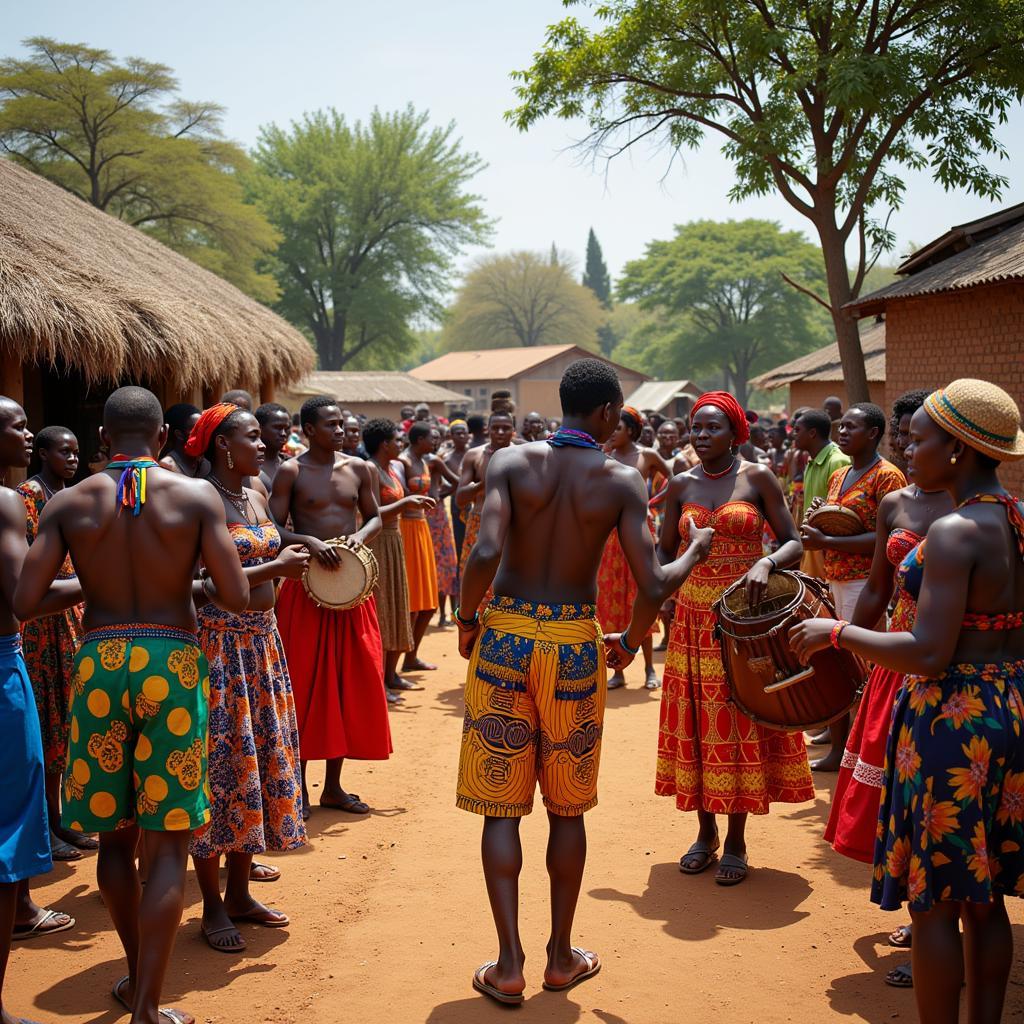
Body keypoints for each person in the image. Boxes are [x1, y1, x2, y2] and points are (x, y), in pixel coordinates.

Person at [456, 359, 713, 1006]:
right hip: (574, 643)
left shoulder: (510, 464)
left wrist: (466, 620)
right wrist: (692, 558)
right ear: (605, 414)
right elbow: (653, 585)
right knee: (565, 807)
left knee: (501, 804)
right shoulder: (622, 480)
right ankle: (561, 957)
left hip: (506, 638)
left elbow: (484, 552)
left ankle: (509, 964)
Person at [791, 379, 1024, 1024]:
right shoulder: (1016, 517)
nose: (909, 450)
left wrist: (835, 632)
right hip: (1009, 708)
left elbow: (927, 652)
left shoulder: (952, 532)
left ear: (956, 449)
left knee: (936, 904)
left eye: (919, 439)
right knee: (987, 898)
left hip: (950, 722)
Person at [15, 386, 249, 1024]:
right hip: (171, 664)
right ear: (164, 440)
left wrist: (94, 581)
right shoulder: (197, 497)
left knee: (114, 842)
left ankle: (131, 971)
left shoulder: (68, 502)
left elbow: (27, 600)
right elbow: (232, 594)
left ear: (101, 441)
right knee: (168, 844)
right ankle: (148, 1003)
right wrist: (185, 578)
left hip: (100, 663)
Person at [821, 390, 952, 989]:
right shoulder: (895, 503)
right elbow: (876, 588)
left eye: (914, 434)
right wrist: (847, 646)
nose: (904, 443)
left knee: (937, 804)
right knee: (897, 799)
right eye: (902, 433)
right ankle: (921, 912)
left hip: (950, 668)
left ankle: (940, 927)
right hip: (895, 661)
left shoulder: (971, 510)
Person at [656, 391, 813, 886]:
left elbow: (793, 539)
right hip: (691, 622)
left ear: (735, 432)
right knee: (700, 721)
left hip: (745, 620)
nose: (701, 437)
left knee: (740, 715)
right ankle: (704, 834)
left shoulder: (757, 477)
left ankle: (738, 840)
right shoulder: (679, 484)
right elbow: (663, 556)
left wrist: (766, 560)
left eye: (712, 428)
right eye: (695, 428)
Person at [184, 405, 309, 954]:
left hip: (262, 644)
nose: (263, 444)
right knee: (219, 770)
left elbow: (271, 539)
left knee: (255, 763)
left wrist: (300, 551)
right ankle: (211, 903)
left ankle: (239, 892)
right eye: (251, 436)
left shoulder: (254, 492)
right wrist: (274, 570)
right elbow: (191, 583)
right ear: (220, 446)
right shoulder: (199, 500)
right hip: (218, 649)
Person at [0, 399, 84, 1024]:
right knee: (10, 822)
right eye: (18, 425)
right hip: (5, 661)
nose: (27, 435)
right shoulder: (8, 502)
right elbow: (23, 597)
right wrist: (115, 575)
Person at [270, 397, 391, 817]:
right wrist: (311, 541)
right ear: (308, 429)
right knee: (304, 683)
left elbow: (375, 517)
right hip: (306, 593)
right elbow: (271, 529)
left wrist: (359, 538)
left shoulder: (358, 468)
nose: (340, 430)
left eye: (341, 424)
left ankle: (334, 788)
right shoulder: (291, 471)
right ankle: (298, 789)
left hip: (351, 592)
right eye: (331, 424)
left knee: (345, 682)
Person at [800, 403, 906, 770]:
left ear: (874, 433)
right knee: (838, 663)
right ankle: (842, 750)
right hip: (835, 579)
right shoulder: (839, 474)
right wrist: (821, 521)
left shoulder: (887, 477)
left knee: (864, 666)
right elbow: (837, 523)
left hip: (867, 582)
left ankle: (869, 753)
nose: (842, 432)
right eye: (840, 427)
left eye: (851, 427)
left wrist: (826, 541)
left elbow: (888, 539)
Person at [17, 427, 90, 861]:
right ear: (43, 453)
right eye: (64, 451)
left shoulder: (71, 494)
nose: (72, 458)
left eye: (77, 451)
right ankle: (49, 823)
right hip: (43, 625)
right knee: (48, 724)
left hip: (73, 618)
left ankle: (62, 819)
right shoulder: (29, 496)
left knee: (68, 719)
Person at [598, 406, 673, 690]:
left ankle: (648, 670)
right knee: (612, 602)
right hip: (610, 536)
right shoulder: (605, 456)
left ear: (630, 429)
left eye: (618, 428)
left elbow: (675, 479)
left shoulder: (647, 455)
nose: (612, 433)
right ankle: (617, 671)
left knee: (640, 599)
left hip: (640, 532)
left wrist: (653, 502)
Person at [363, 419, 421, 702]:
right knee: (383, 609)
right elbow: (372, 512)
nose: (401, 444)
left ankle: (392, 675)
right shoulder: (370, 470)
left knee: (398, 604)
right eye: (397, 440)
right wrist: (405, 504)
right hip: (379, 543)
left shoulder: (392, 469)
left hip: (394, 541)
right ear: (384, 444)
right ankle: (378, 683)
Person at [456, 411, 516, 608]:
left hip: (513, 527)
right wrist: (485, 482)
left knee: (508, 586)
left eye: (506, 428)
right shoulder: (474, 456)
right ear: (487, 430)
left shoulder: (522, 456)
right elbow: (460, 498)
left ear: (513, 431)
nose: (500, 432)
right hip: (479, 523)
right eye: (495, 428)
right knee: (475, 581)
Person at [398, 424, 444, 671]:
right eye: (430, 438)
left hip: (422, 528)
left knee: (429, 603)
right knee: (412, 603)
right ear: (418, 439)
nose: (434, 442)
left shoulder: (426, 461)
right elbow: (399, 495)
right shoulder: (403, 461)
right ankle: (401, 660)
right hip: (405, 528)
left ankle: (412, 657)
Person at [791, 409, 850, 580]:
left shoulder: (837, 461)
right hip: (812, 542)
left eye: (797, 430)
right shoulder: (811, 461)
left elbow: (839, 512)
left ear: (812, 433)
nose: (793, 435)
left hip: (826, 545)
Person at [427, 426, 461, 627]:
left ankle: (445, 615)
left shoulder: (435, 460)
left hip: (437, 516)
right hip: (417, 518)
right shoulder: (407, 460)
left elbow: (456, 482)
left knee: (446, 563)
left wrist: (439, 495)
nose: (435, 442)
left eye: (438, 438)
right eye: (432, 438)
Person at [445, 420, 471, 565]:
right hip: (457, 507)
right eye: (457, 433)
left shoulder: (476, 454)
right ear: (451, 436)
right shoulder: (447, 460)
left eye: (464, 433)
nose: (461, 436)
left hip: (477, 507)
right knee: (459, 543)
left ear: (469, 435)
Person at [159, 404, 204, 477]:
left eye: (204, 427)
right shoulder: (166, 467)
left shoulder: (205, 462)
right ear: (179, 434)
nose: (203, 433)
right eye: (197, 429)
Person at [254, 403, 292, 490]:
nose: (283, 433)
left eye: (286, 428)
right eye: (277, 427)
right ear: (259, 428)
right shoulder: (248, 467)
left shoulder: (291, 465)